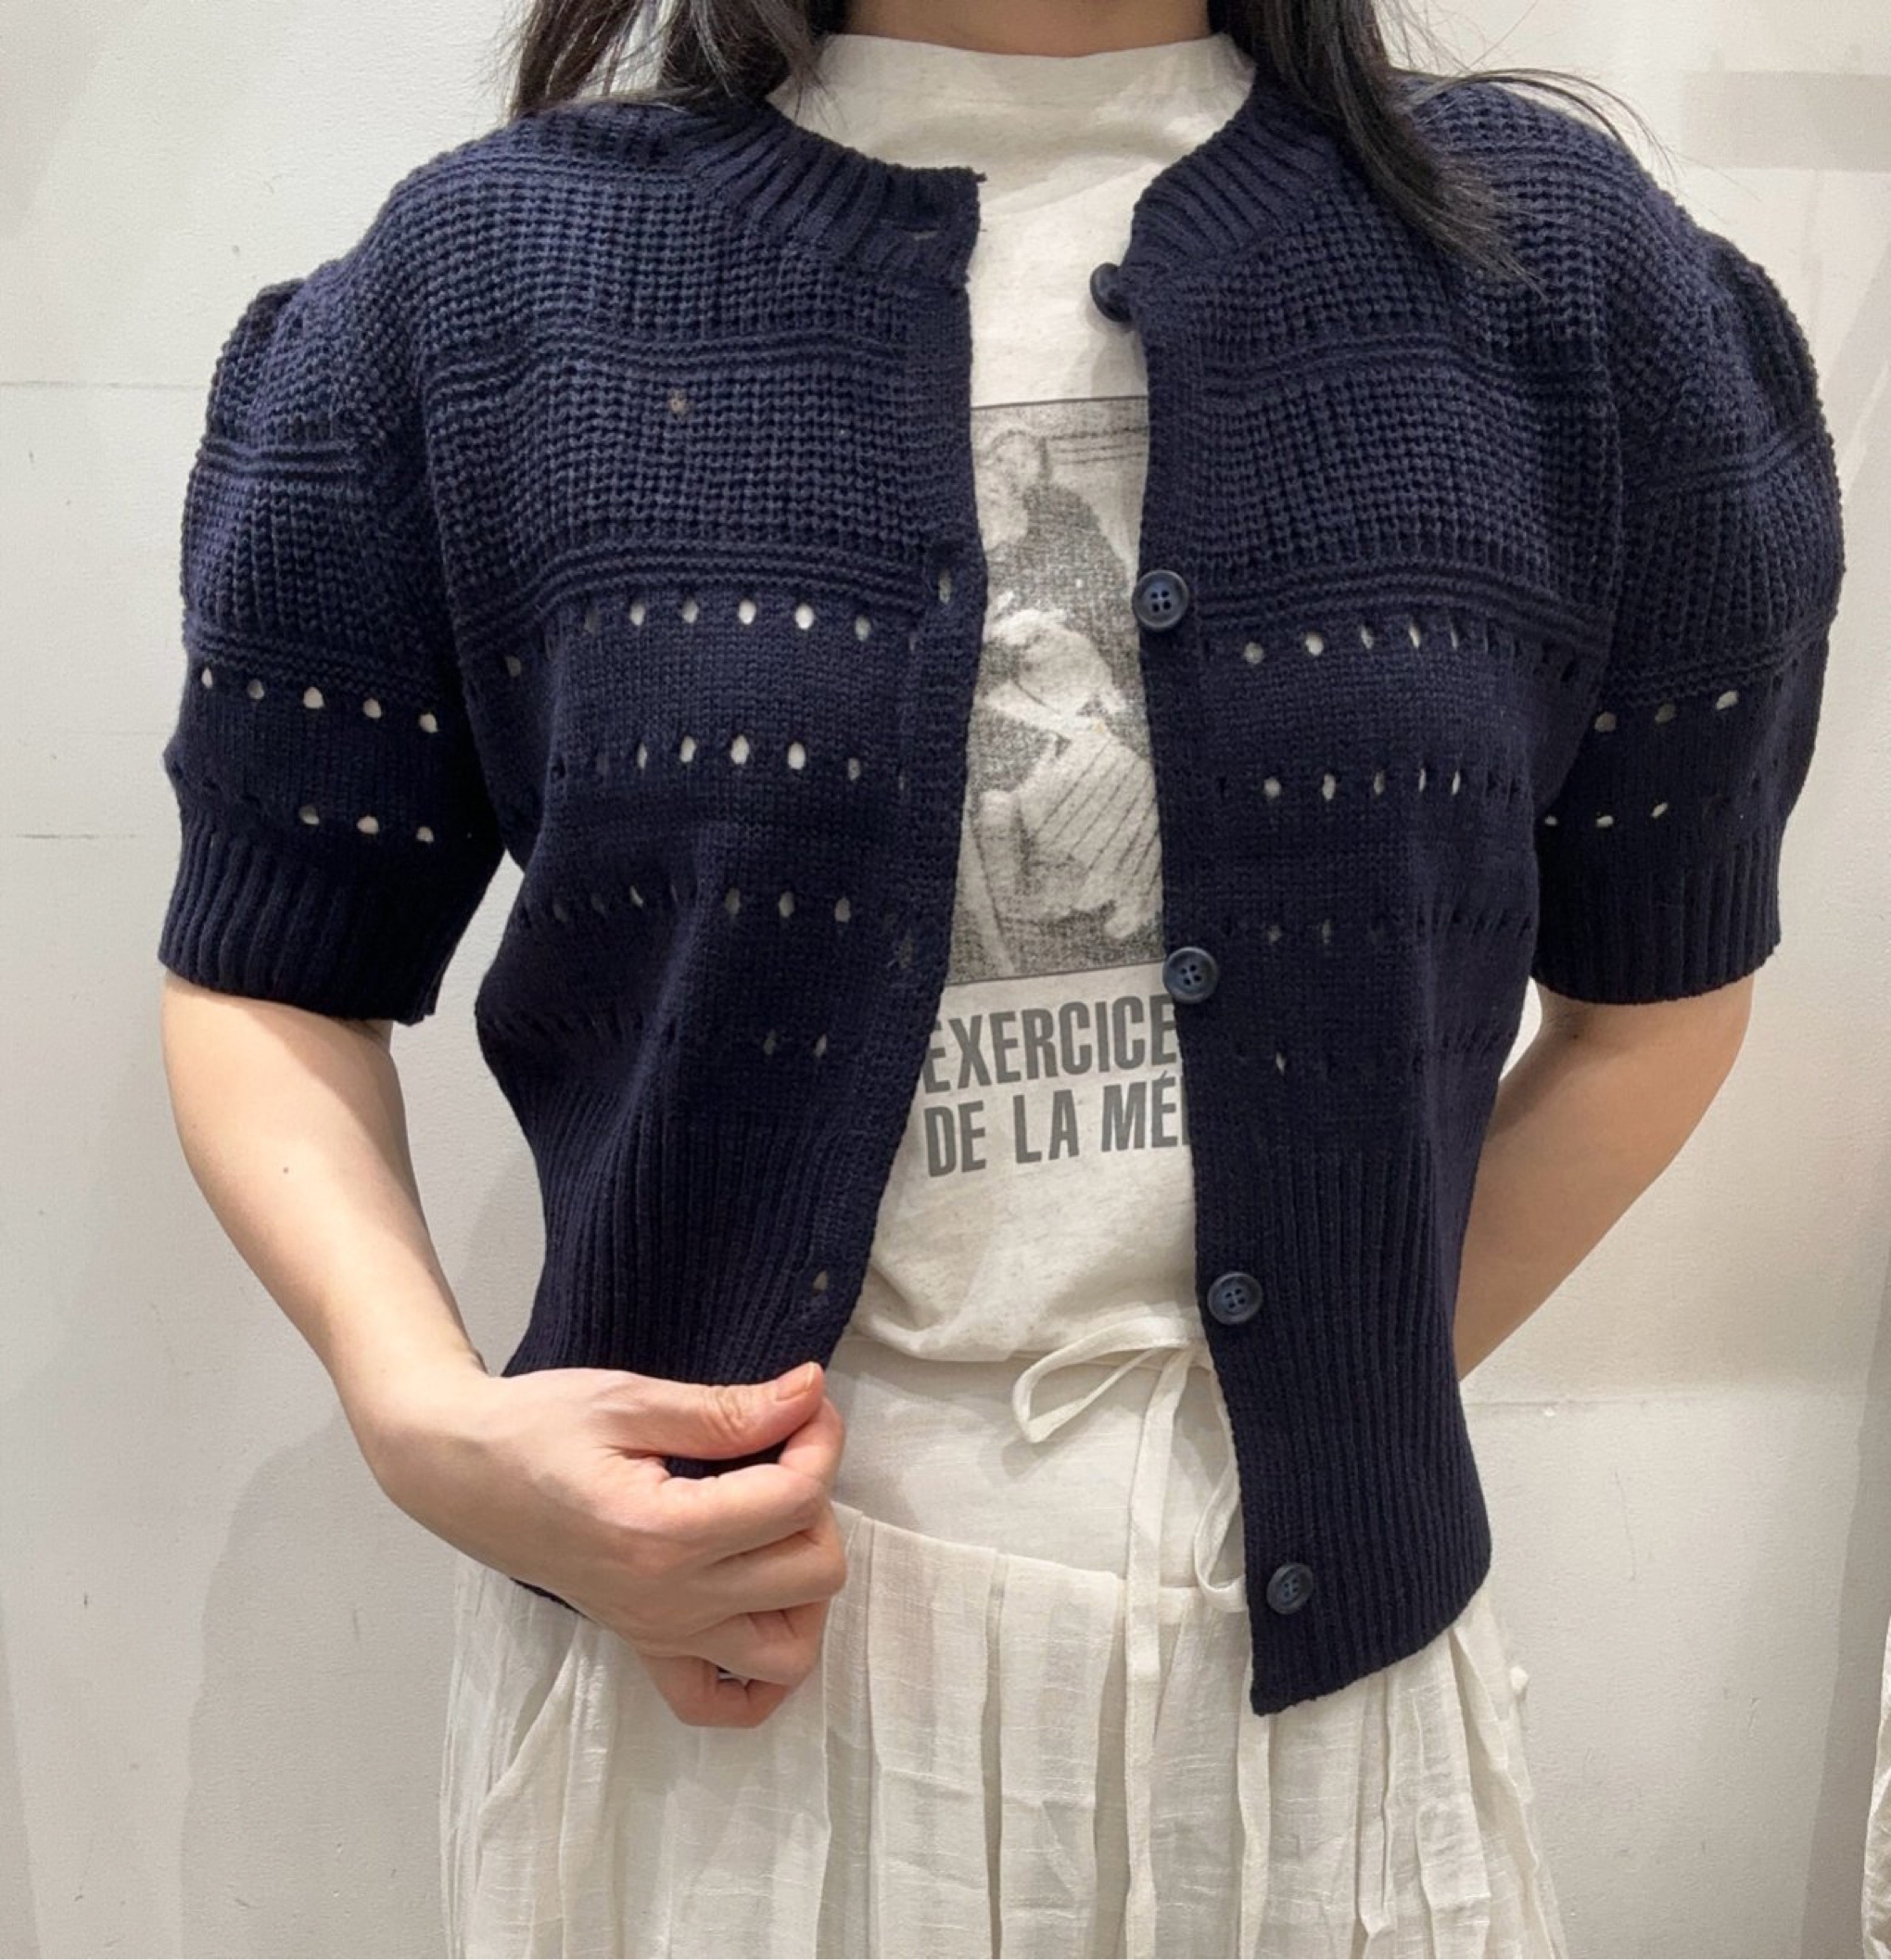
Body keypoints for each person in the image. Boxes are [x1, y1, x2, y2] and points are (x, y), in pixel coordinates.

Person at [154, 0, 1847, 1954]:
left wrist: (1332, 1388)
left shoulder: (1556, 275)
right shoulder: (486, 289)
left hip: (1315, 1709)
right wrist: (423, 1418)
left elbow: (1656, 999)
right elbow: (274, 967)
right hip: (713, 1687)